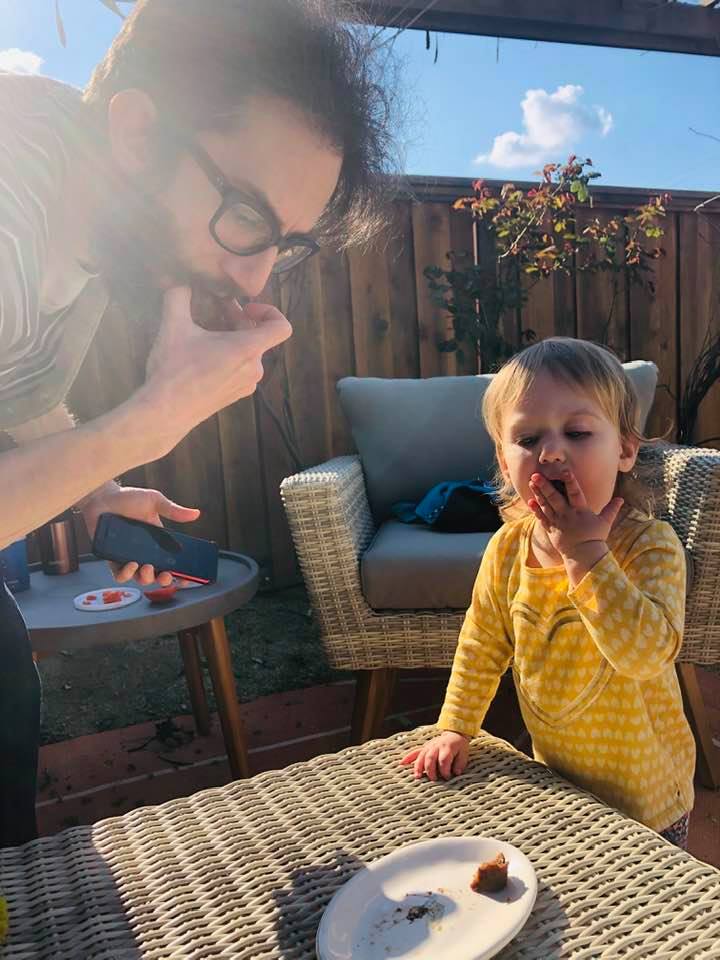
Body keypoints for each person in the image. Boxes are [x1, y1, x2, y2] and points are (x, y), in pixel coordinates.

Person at [0, 0, 398, 845]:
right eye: (246, 215)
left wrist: (98, 492)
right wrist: (145, 424)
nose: (255, 279)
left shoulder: (93, 211)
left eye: (285, 242)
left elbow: (19, 384)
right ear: (139, 132)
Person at [401, 338, 696, 849]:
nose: (552, 451)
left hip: (647, 798)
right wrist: (456, 727)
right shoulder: (508, 548)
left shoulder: (650, 547)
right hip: (559, 782)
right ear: (503, 459)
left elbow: (646, 655)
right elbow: (482, 642)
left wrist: (588, 555)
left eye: (577, 432)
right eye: (528, 437)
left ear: (625, 450)